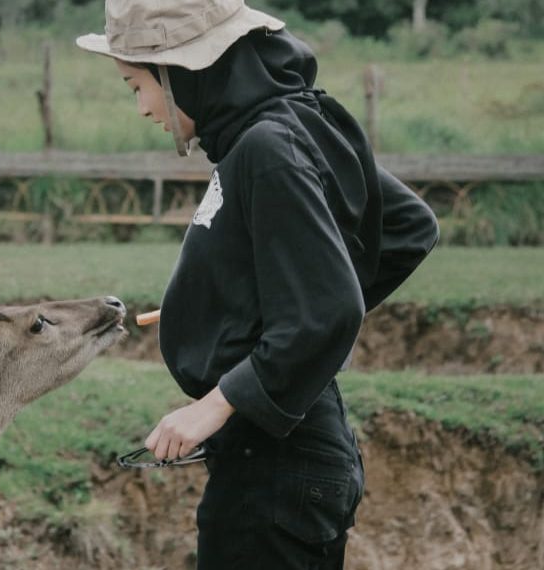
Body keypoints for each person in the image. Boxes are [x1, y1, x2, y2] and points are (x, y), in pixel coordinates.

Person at [78, 1, 440, 568]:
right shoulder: (283, 127)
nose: (142, 108)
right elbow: (406, 228)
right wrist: (259, 314)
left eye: (137, 86)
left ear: (181, 73)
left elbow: (330, 308)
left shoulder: (267, 149)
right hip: (279, 455)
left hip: (276, 468)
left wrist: (217, 403)